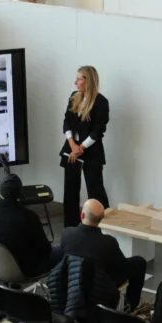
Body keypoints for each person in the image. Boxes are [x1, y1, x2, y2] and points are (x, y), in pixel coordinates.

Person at [61, 199, 146, 310]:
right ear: (100, 220)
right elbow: (122, 267)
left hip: (72, 282)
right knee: (139, 262)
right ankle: (130, 306)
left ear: (82, 215)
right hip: (99, 286)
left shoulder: (67, 234)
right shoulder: (108, 242)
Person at [0, 174, 62, 278]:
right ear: (20, 194)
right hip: (26, 270)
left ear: (1, 192)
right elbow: (46, 249)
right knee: (65, 250)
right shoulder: (29, 216)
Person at [61, 66, 110, 228]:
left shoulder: (101, 102)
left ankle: (102, 227)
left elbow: (98, 131)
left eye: (80, 79)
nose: (76, 82)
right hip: (71, 150)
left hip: (91, 152)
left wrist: (81, 147)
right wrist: (73, 145)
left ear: (89, 80)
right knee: (70, 191)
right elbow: (66, 121)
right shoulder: (73, 97)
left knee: (95, 191)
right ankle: (70, 227)